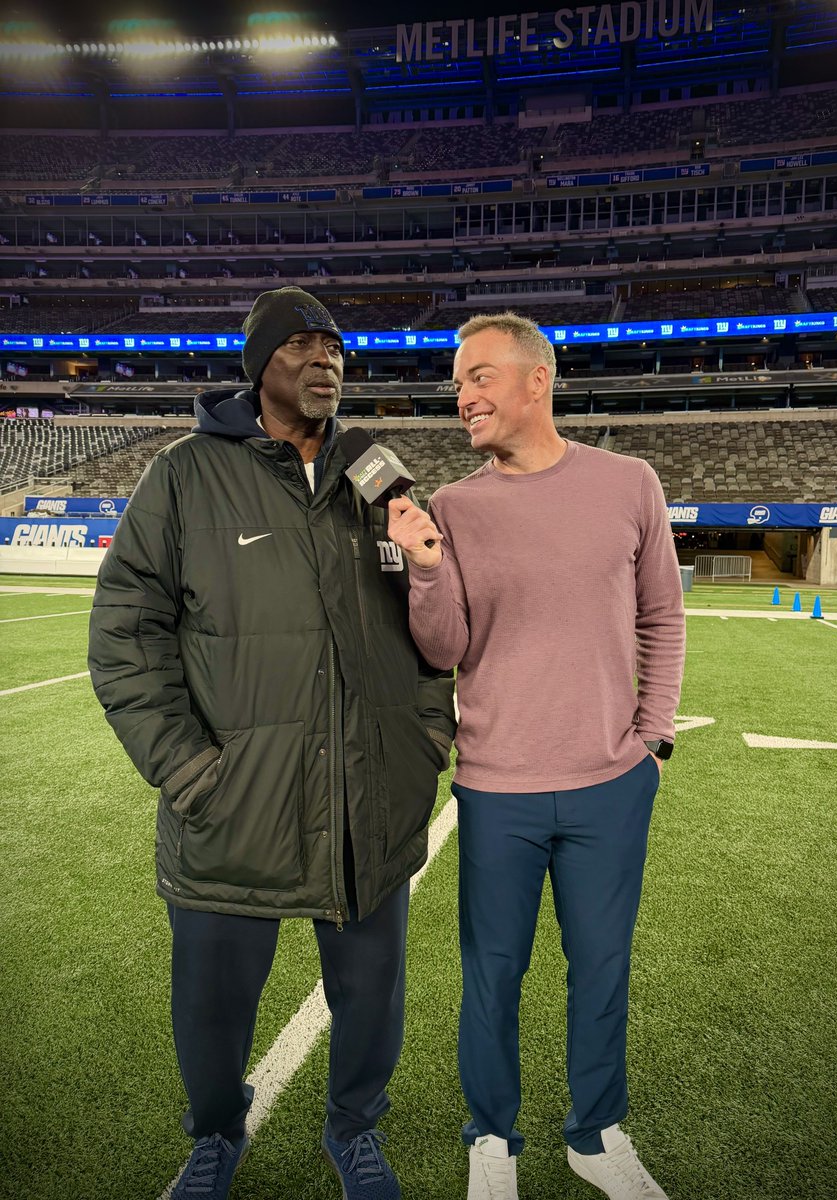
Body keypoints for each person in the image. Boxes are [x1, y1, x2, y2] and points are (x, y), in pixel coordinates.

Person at [88, 286, 456, 1200]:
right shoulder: (183, 476)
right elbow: (125, 634)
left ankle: (354, 1130)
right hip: (232, 804)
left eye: (335, 346)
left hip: (368, 800)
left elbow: (429, 621)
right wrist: (188, 770)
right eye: (301, 344)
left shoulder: (380, 476)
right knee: (211, 1012)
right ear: (259, 365)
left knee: (371, 1000)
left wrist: (423, 736)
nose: (325, 358)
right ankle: (216, 1132)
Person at [387, 312, 685, 1200]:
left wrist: (653, 739)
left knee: (601, 970)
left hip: (610, 783)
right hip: (497, 789)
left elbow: (662, 617)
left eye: (478, 377)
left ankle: (596, 1135)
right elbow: (444, 648)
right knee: (492, 976)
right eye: (457, 384)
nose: (463, 397)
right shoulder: (454, 506)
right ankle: (492, 1138)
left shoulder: (630, 483)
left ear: (536, 381)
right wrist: (426, 569)